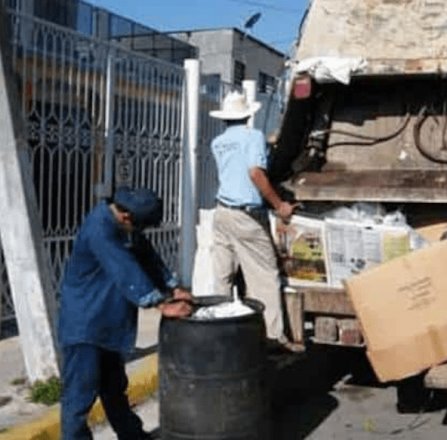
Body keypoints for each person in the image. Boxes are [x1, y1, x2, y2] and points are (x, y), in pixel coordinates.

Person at [58, 187, 193, 439]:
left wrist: (172, 287)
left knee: (114, 389)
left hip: (107, 320)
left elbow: (146, 255)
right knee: (79, 398)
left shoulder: (124, 225)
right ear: (127, 217)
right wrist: (162, 304)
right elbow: (125, 269)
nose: (141, 233)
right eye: (140, 227)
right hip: (85, 325)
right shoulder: (100, 230)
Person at [208, 91, 298, 350]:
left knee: (223, 275)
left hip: (222, 212)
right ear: (248, 115)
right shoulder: (253, 136)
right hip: (246, 216)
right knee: (264, 275)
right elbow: (255, 174)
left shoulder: (218, 142)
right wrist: (280, 205)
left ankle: (220, 333)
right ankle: (272, 337)